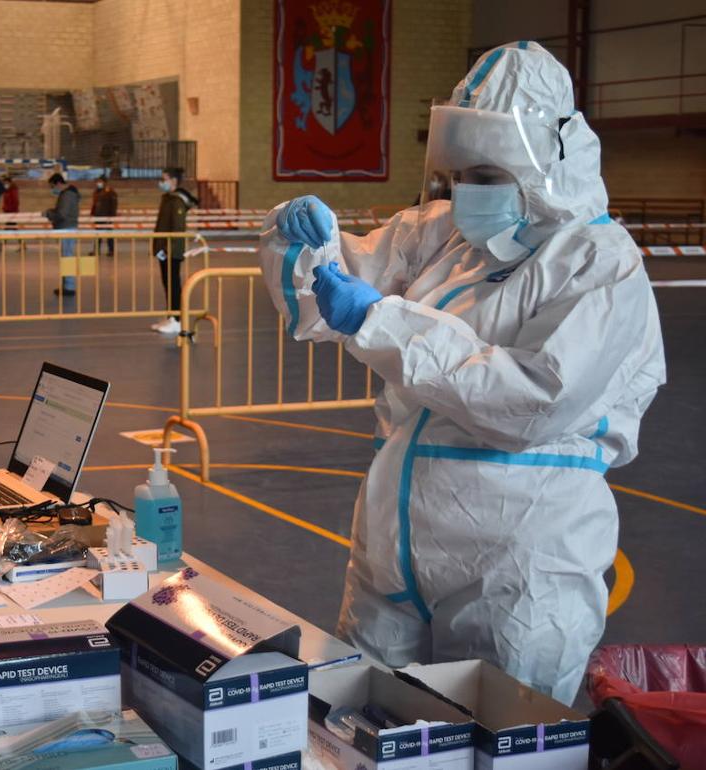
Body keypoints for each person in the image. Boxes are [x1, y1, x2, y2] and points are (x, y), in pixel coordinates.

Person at [258, 42, 665, 704]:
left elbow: (533, 401)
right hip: (397, 547)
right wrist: (301, 242)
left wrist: (386, 323)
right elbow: (329, 296)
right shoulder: (443, 235)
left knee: (499, 730)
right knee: (364, 722)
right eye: (461, 171)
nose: (467, 189)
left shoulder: (597, 263)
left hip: (519, 562)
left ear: (545, 159)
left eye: (489, 170)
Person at [151, 167, 198, 335]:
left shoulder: (177, 201)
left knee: (173, 284)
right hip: (164, 249)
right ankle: (171, 315)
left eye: (164, 179)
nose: (161, 182)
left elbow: (177, 229)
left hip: (172, 250)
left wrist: (167, 248)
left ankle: (177, 320)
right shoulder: (168, 198)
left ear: (173, 181)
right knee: (167, 283)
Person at [44, 172, 81, 296]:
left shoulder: (67, 195)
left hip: (66, 228)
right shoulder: (69, 194)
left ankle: (69, 286)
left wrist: (50, 214)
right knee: (66, 258)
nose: (52, 190)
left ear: (58, 184)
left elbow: (62, 214)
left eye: (52, 186)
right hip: (67, 228)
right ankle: (67, 285)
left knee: (67, 258)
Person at [90, 175, 119, 257]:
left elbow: (114, 204)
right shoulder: (96, 192)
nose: (98, 183)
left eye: (100, 182)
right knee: (97, 234)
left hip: (107, 216)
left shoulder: (110, 192)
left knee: (109, 234)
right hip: (98, 216)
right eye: (97, 181)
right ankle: (96, 250)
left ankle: (111, 250)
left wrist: (112, 216)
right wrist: (92, 213)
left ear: (104, 182)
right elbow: (95, 204)